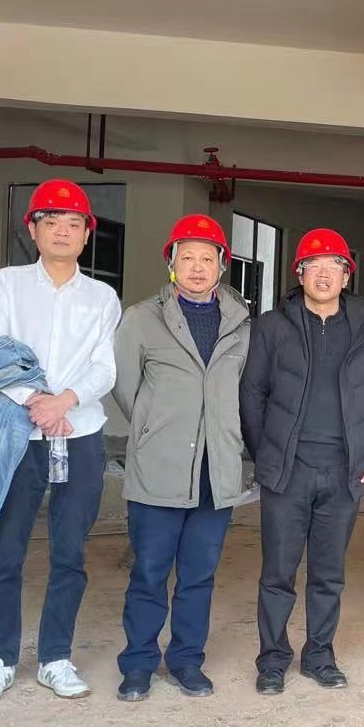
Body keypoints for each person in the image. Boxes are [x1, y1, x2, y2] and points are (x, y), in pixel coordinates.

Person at [0, 180, 121, 703]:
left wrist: (65, 401)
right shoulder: (8, 284)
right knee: (6, 550)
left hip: (80, 433)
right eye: (50, 221)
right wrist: (36, 400)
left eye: (74, 223)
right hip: (17, 434)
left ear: (86, 234)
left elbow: (104, 366)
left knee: (69, 553)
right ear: (32, 229)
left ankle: (56, 658)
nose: (62, 231)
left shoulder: (102, 297)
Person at [241, 228, 364, 694]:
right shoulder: (272, 327)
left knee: (329, 574)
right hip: (288, 471)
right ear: (300, 273)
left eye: (335, 266)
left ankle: (319, 656)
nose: (324, 274)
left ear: (347, 276)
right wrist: (267, 453)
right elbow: (252, 394)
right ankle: (272, 660)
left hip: (345, 471)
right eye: (314, 265)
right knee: (278, 573)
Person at [112, 215, 252, 701]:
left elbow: (243, 391)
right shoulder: (141, 319)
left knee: (199, 575)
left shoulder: (239, 324)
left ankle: (187, 661)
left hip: (218, 471)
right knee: (149, 572)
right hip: (160, 468)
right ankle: (138, 663)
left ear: (222, 265)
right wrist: (156, 431)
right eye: (186, 257)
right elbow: (127, 389)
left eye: (206, 258)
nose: (196, 267)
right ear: (171, 264)